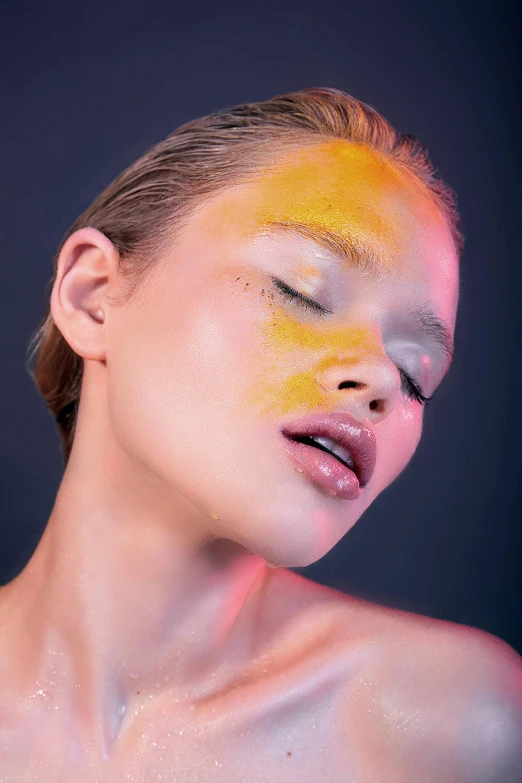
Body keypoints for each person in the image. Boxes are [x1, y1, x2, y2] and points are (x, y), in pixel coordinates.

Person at [0, 87, 520, 782]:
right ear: (92, 296)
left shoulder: (457, 726)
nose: (380, 380)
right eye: (302, 291)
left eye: (416, 372)